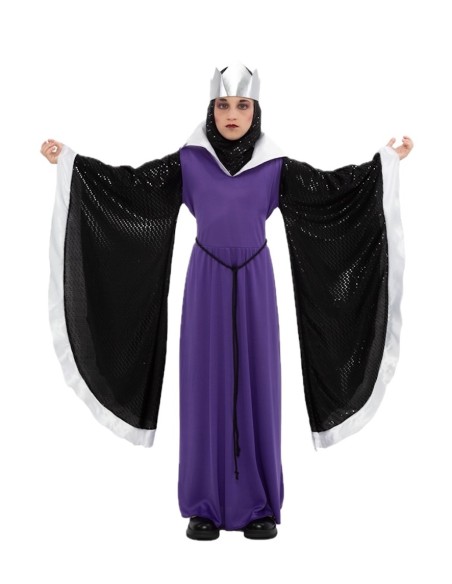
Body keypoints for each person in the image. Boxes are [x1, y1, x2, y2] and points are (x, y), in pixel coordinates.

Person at [41, 62, 413, 541]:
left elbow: (332, 191)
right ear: (210, 109)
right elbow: (131, 188)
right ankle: (204, 506)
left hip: (257, 282)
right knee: (204, 387)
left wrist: (386, 162)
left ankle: (260, 504)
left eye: (242, 105)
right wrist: (71, 163)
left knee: (259, 385)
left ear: (256, 111)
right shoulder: (189, 162)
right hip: (206, 282)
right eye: (222, 105)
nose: (232, 114)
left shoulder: (274, 167)